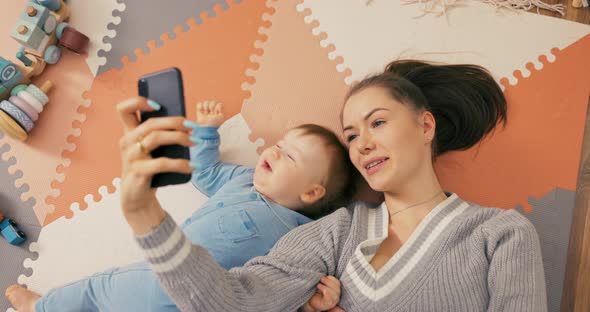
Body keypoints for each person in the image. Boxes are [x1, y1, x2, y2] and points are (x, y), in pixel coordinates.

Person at [10, 59, 548, 311]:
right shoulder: (334, 234)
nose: (362, 144)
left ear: (425, 126)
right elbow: (229, 300)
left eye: (378, 123)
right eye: (352, 133)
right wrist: (144, 214)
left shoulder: (499, 233)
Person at [5, 101, 353, 312]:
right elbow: (205, 173)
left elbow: (275, 292)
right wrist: (206, 134)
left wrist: (311, 303)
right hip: (164, 275)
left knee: (100, 290)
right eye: (278, 144)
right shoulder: (244, 179)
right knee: (102, 290)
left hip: (196, 294)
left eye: (289, 155)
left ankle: (41, 307)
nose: (273, 152)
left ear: (311, 193)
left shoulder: (299, 234)